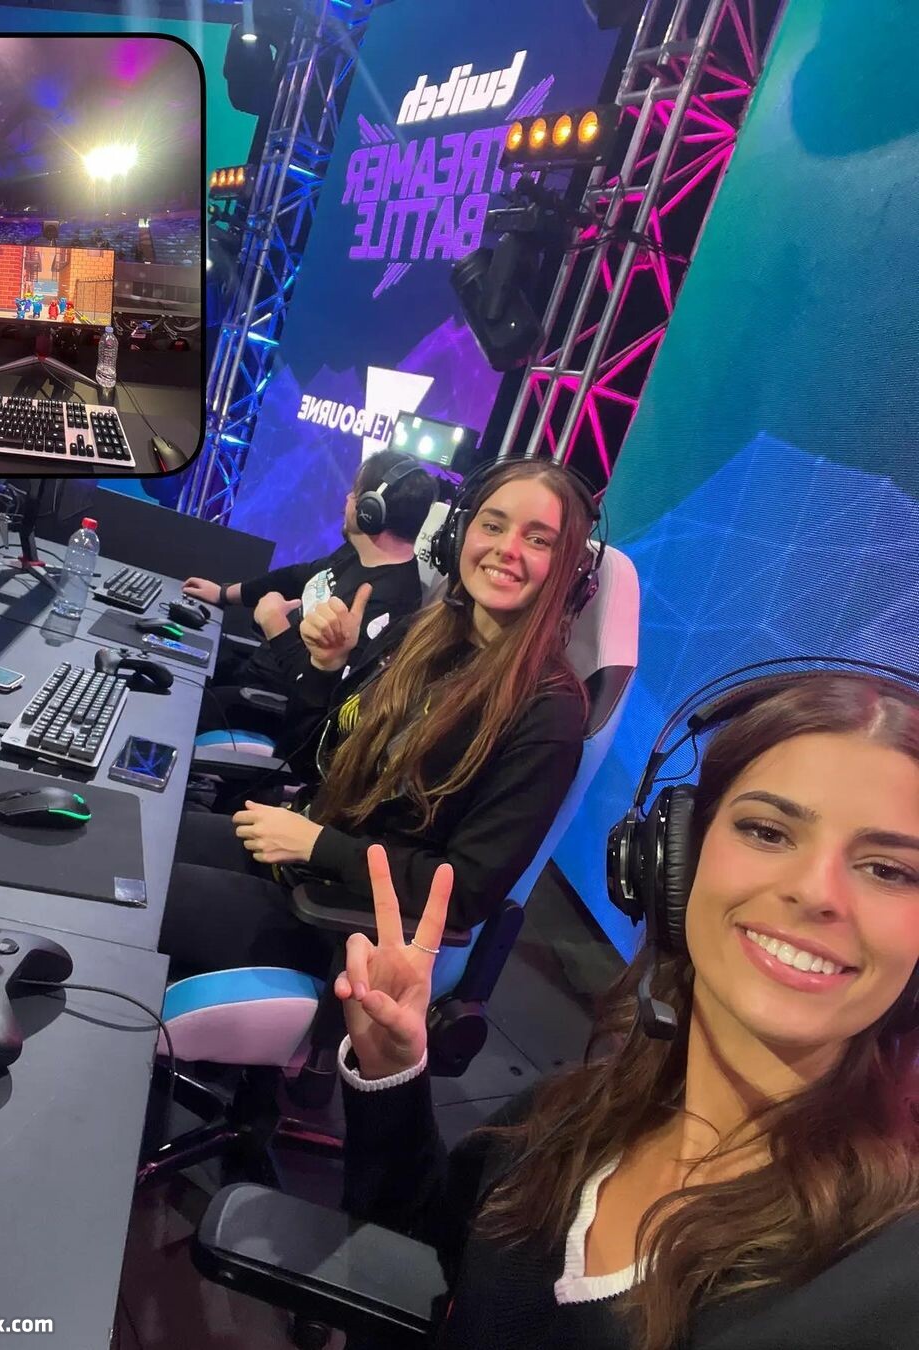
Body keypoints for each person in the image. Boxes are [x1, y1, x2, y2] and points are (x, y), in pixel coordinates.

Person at [334, 671, 919, 1350]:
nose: (817, 893)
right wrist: (391, 1073)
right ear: (670, 862)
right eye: (767, 831)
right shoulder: (568, 1114)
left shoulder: (884, 1278)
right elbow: (421, 1256)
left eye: (889, 870)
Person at [159, 459, 596, 977]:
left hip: (346, 926)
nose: (507, 548)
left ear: (570, 572)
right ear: (459, 536)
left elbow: (465, 892)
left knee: (133, 894)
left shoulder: (548, 713)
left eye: (538, 539)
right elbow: (312, 762)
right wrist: (325, 668)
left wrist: (320, 846)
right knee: (134, 836)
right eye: (493, 525)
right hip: (306, 856)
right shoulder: (418, 636)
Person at [183, 449, 438, 738]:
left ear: (371, 511)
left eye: (356, 493)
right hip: (258, 671)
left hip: (276, 706)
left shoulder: (388, 602)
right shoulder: (357, 553)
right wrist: (223, 593)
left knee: (182, 700)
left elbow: (322, 693)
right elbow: (297, 576)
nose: (348, 498)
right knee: (178, 654)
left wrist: (275, 626)